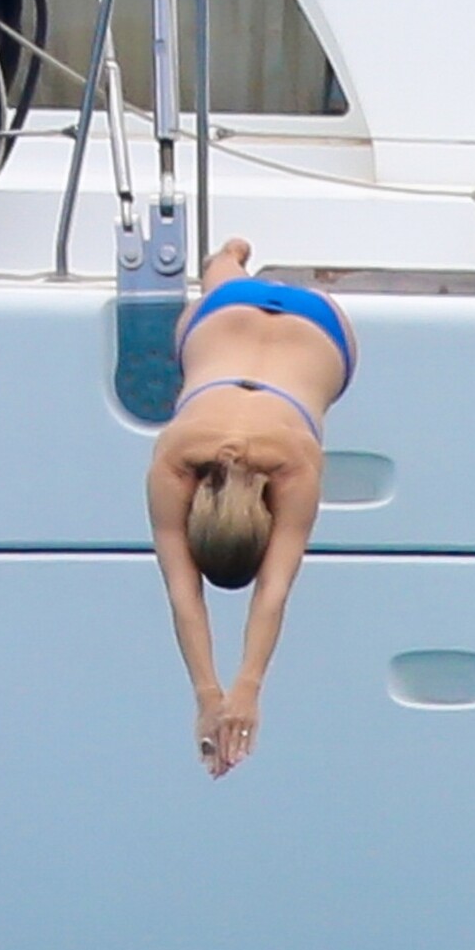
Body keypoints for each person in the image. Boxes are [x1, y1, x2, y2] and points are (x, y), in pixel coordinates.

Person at [147, 239, 357, 778]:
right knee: (216, 292)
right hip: (224, 313)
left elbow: (272, 591)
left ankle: (231, 266)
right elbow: (186, 593)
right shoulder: (175, 456)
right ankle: (226, 264)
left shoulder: (295, 464)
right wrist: (220, 694)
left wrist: (233, 693)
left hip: (321, 325)